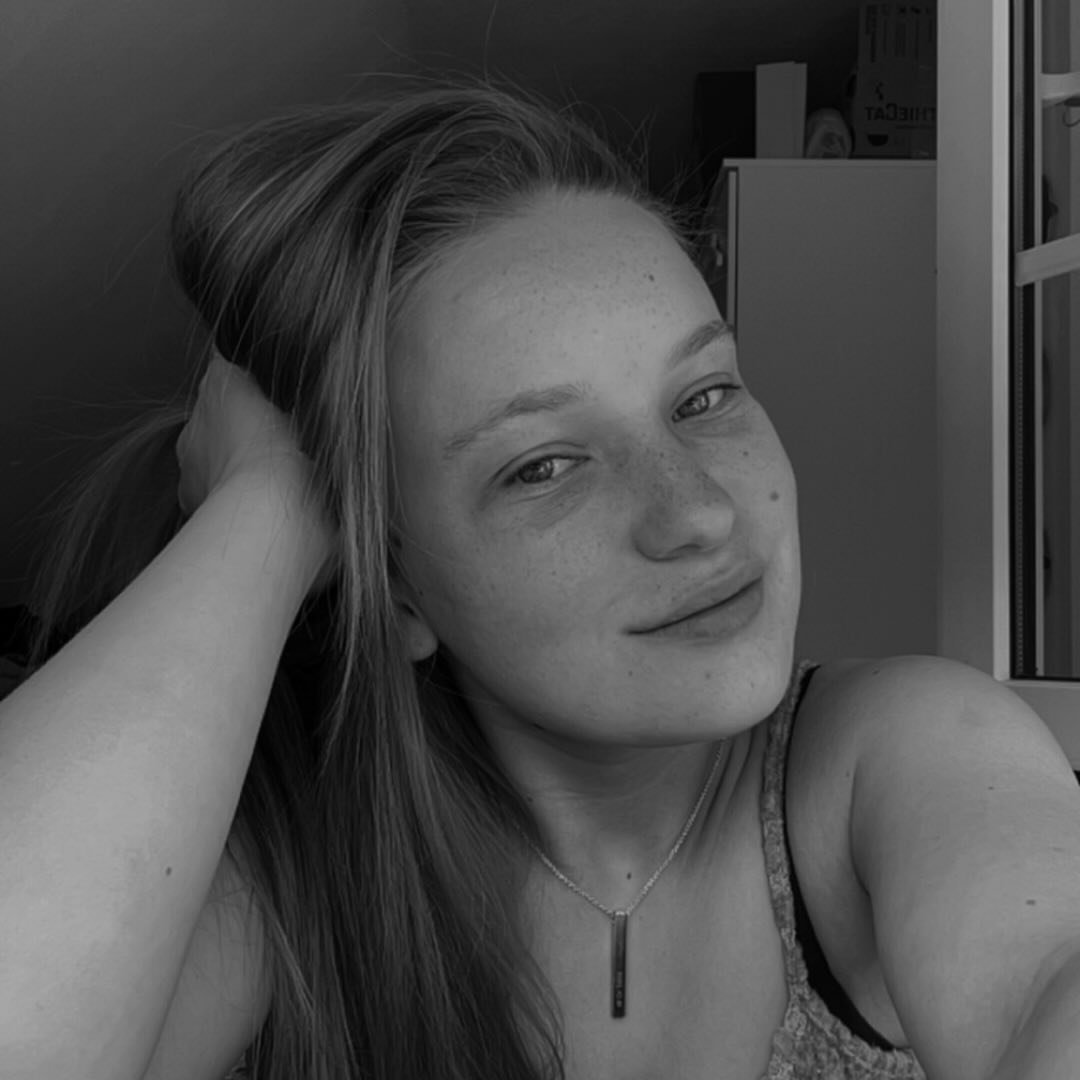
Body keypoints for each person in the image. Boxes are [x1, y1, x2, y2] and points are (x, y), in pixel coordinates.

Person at [1, 81, 1079, 1080]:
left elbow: (1046, 986)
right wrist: (267, 507)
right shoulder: (294, 864)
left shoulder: (898, 758)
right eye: (543, 467)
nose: (699, 513)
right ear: (400, 590)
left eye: (705, 397)